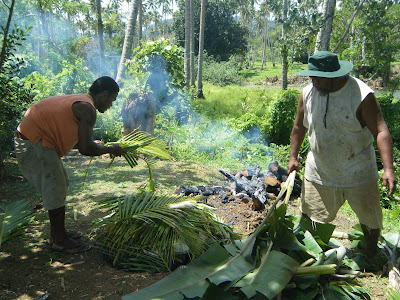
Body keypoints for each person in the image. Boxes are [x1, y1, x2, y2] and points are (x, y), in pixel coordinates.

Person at [287, 51, 396, 262]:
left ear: (334, 75)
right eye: (311, 77)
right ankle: (312, 253)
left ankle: (372, 255)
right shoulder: (308, 93)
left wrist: (388, 168)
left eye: (317, 77)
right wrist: (293, 157)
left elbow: (381, 131)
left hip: (357, 169)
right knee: (311, 214)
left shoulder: (361, 95)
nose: (313, 81)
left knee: (369, 219)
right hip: (319, 167)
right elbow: (299, 127)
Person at [14, 76, 126, 254]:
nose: (111, 105)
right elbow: (85, 148)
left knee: (60, 184)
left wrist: (95, 144)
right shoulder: (87, 109)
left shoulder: (82, 101)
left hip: (34, 138)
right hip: (35, 141)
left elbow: (79, 139)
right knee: (56, 187)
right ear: (104, 95)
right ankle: (58, 240)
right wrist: (110, 149)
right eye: (112, 100)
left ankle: (59, 233)